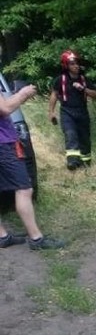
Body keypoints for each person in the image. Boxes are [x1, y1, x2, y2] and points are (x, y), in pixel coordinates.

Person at [0, 83, 66, 250]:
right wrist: (23, 94)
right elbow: (5, 108)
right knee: (24, 189)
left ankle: (2, 237)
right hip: (3, 144)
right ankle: (36, 239)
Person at [48, 50, 96, 170]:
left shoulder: (83, 79)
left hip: (82, 111)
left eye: (77, 63)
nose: (76, 65)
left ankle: (86, 163)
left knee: (84, 138)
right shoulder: (60, 80)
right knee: (70, 135)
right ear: (66, 65)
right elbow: (54, 95)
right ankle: (72, 162)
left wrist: (84, 89)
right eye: (72, 63)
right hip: (67, 111)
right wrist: (51, 112)